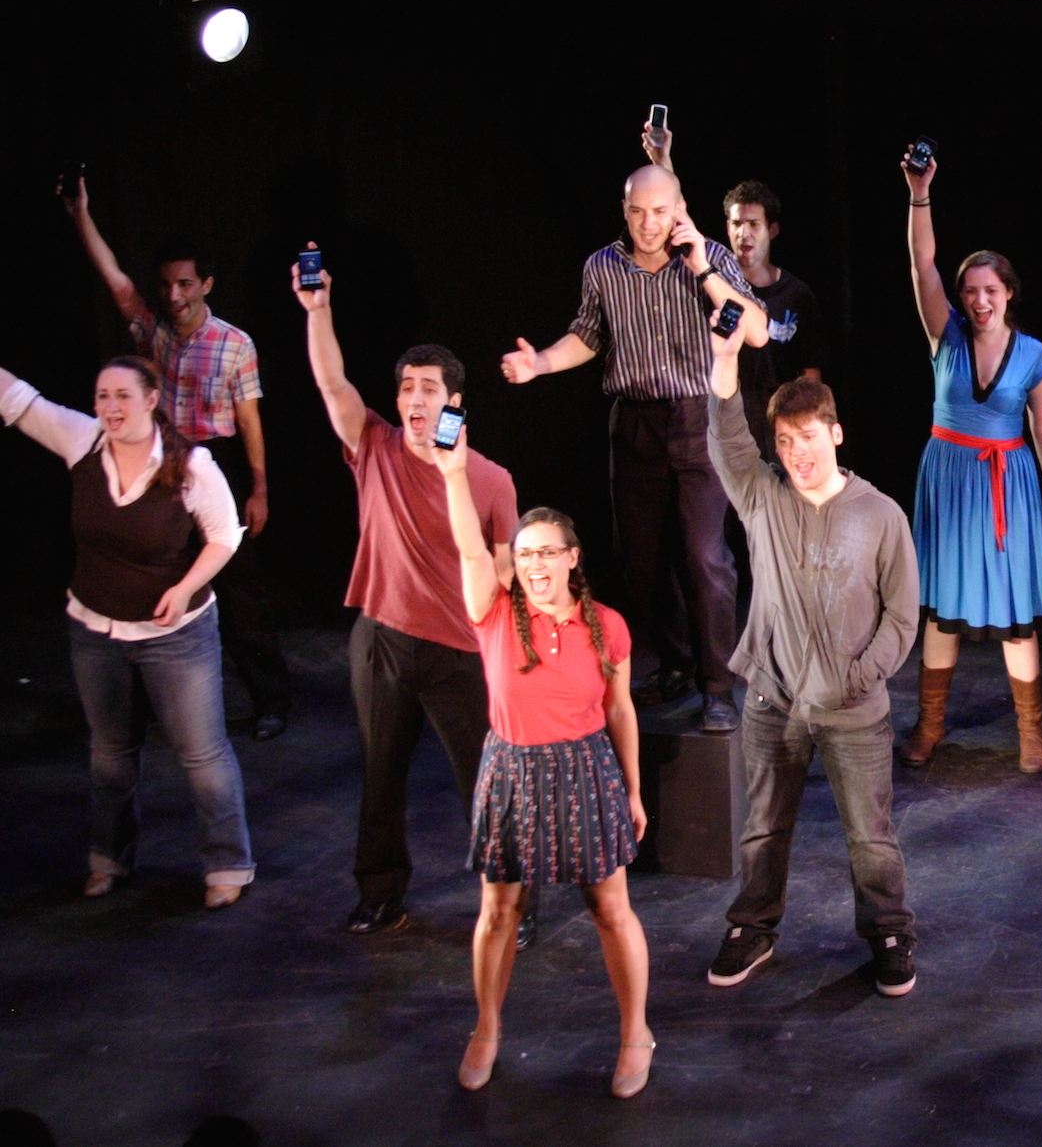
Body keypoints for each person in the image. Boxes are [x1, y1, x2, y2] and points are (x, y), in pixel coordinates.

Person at [299, 251, 533, 941]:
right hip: (382, 640)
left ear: (454, 402)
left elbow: (505, 574)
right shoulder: (373, 445)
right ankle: (380, 895)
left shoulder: (490, 479)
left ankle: (515, 906)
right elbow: (332, 382)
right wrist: (318, 311)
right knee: (380, 776)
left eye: (429, 388)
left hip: (460, 651)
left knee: (485, 785)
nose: (414, 399)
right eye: (406, 388)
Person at [701, 324, 923, 997]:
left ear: (836, 434)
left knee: (871, 836)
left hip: (853, 709)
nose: (797, 452)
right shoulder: (761, 497)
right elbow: (725, 435)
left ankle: (889, 932)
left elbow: (902, 617)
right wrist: (725, 356)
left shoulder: (880, 514)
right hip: (773, 702)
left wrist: (856, 678)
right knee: (763, 828)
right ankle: (753, 927)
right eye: (785, 441)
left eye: (808, 436)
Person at [501, 164, 761, 730]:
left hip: (698, 417)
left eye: (660, 212)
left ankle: (719, 686)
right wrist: (540, 362)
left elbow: (759, 331)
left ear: (678, 210)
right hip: (635, 422)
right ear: (625, 210)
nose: (648, 224)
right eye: (638, 212)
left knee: (704, 555)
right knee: (642, 559)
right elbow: (588, 335)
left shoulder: (710, 257)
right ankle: (676, 662)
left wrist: (702, 268)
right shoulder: (602, 266)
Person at [0, 355, 253, 908]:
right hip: (95, 630)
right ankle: (109, 859)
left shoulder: (191, 465)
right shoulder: (83, 440)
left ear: (151, 400)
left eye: (122, 396)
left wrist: (184, 588)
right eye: (102, 396)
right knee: (110, 755)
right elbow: (18, 400)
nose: (110, 407)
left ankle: (228, 864)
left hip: (177, 636)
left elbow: (224, 536)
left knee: (202, 755)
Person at [436, 452, 652, 1099]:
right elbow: (471, 550)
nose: (534, 565)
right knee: (499, 909)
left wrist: (634, 790)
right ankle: (486, 1028)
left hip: (586, 768)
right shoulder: (495, 613)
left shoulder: (607, 626)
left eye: (547, 553)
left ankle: (636, 1033)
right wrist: (452, 474)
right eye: (525, 554)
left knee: (609, 909)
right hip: (511, 769)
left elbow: (620, 710)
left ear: (572, 558)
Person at [60, 178, 293, 741]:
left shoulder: (234, 343)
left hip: (216, 463)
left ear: (206, 284)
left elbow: (249, 420)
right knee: (152, 580)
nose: (174, 295)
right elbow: (113, 277)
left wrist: (259, 489)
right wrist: (81, 214)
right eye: (166, 284)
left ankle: (271, 701)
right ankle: (141, 709)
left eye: (185, 283)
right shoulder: (151, 329)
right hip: (160, 463)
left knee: (238, 591)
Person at [898, 150, 1042, 773]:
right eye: (970, 291)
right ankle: (930, 725)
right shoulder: (944, 336)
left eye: (990, 290)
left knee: (1015, 611)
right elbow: (922, 263)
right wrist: (919, 192)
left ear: (1008, 294)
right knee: (942, 609)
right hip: (948, 480)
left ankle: (1031, 731)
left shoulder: (1032, 352)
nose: (978, 300)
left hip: (1008, 485)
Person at [641, 125, 827, 429]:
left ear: (772, 230)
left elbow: (811, 372)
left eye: (754, 224)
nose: (744, 234)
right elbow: (680, 220)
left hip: (777, 421)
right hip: (722, 416)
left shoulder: (796, 294)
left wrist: (807, 425)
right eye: (737, 224)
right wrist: (662, 161)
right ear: (727, 227)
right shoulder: (713, 274)